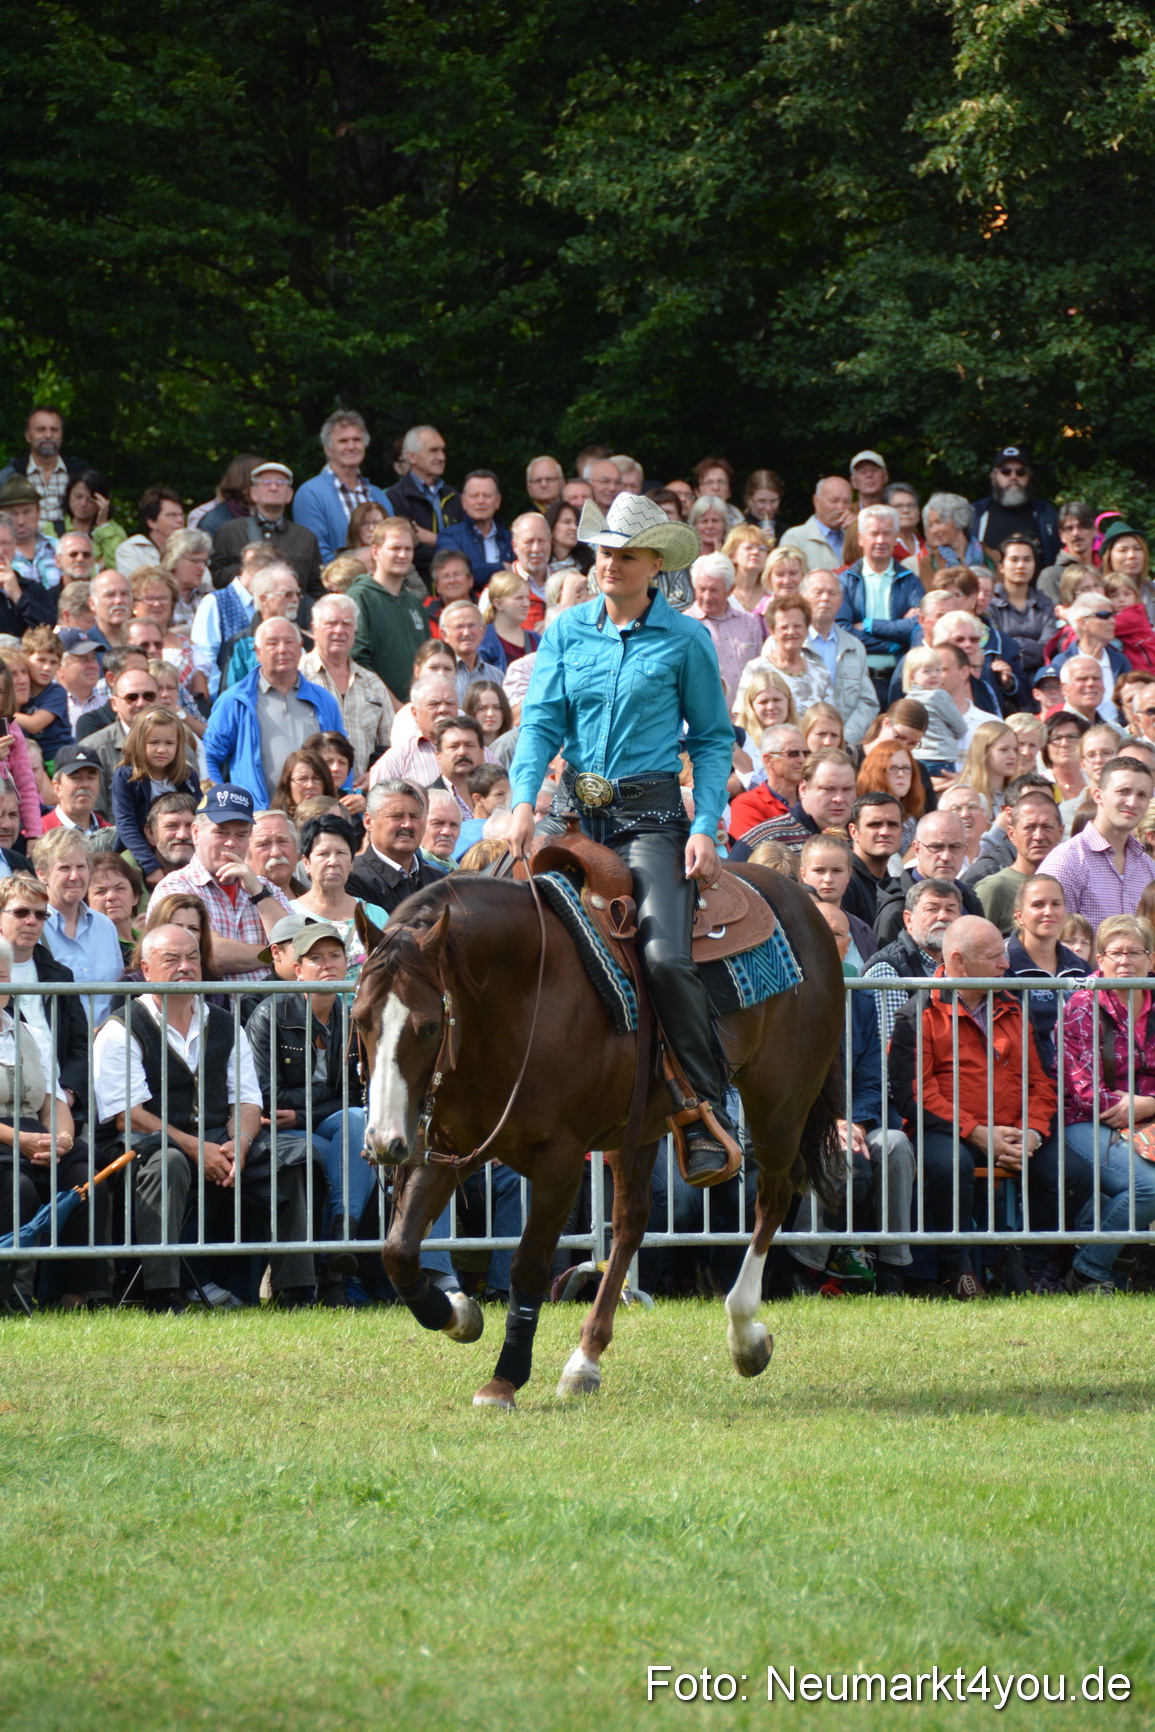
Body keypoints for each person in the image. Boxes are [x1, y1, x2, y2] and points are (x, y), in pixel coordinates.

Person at [508, 491, 740, 1178]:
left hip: (651, 818)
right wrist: (523, 800)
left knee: (666, 956)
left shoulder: (686, 639)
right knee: (491, 915)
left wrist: (704, 826)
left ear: (654, 565)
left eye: (624, 554)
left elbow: (713, 739)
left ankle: (704, 1107)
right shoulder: (565, 630)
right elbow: (541, 723)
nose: (607, 563)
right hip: (571, 814)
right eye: (602, 551)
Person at [93, 923, 315, 1311]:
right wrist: (199, 1149)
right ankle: (164, 1293)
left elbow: (247, 1101)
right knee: (170, 1162)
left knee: (295, 1156)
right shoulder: (121, 1028)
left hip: (219, 1140)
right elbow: (129, 1116)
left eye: (193, 957)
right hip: (146, 1145)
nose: (185, 967)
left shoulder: (225, 1022)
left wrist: (240, 1144)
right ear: (146, 970)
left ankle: (295, 1290)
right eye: (172, 959)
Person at [889, 915, 1060, 1299]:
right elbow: (914, 1094)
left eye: (1004, 954)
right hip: (946, 1130)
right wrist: (978, 1133)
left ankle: (1033, 1268)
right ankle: (956, 1266)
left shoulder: (1016, 1009)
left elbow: (1041, 1084)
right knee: (950, 1164)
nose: (1006, 964)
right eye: (994, 956)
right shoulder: (917, 1014)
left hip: (1014, 1131)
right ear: (958, 961)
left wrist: (1031, 1134)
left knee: (1069, 1168)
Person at [788, 900, 914, 1297]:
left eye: (837, 934)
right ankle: (805, 1269)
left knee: (895, 1144)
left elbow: (872, 1076)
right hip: (799, 1125)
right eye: (817, 933)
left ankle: (894, 1270)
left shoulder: (859, 997)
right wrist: (828, 1125)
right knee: (832, 1150)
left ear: (848, 946)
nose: (827, 941)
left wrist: (857, 1123)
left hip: (855, 1123)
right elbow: (783, 1083)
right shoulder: (782, 1000)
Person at [246, 921, 370, 1303]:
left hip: (316, 1122)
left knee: (356, 1121)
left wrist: (303, 1112)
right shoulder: (270, 1014)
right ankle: (336, 1271)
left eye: (335, 955)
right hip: (279, 1130)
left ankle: (341, 1236)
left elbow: (355, 1096)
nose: (328, 964)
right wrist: (318, 1100)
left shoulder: (351, 1017)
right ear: (297, 968)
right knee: (339, 1150)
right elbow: (268, 1096)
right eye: (316, 958)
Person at [0, 933, 106, 1306]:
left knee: (84, 1178)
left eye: (3, 976)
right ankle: (14, 1292)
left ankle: (75, 1295)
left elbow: (52, 1101)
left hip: (35, 1137)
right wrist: (19, 1140)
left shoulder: (27, 1033)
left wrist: (61, 1137)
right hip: (6, 1142)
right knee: (18, 1188)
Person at [1061, 914, 1155, 1292]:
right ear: (1099, 959)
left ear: (1151, 959)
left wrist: (1147, 1105)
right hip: (1086, 1121)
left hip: (1147, 1115)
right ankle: (1087, 1272)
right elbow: (1083, 1089)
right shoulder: (1084, 1004)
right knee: (1146, 1187)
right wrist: (1130, 1112)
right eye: (1115, 952)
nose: (1124, 961)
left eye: (1135, 952)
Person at [149, 785, 292, 983]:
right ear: (196, 833)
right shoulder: (175, 887)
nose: (231, 843)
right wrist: (273, 955)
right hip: (207, 1012)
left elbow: (296, 951)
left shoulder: (265, 888)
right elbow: (213, 955)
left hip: (271, 1011)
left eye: (241, 835)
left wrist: (259, 894)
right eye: (221, 833)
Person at [203, 618, 345, 808]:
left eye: (289, 642)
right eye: (272, 643)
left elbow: (341, 756)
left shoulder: (324, 700)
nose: (282, 649)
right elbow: (209, 756)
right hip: (257, 818)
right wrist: (225, 802)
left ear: (301, 647)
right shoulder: (235, 701)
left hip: (314, 814)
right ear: (258, 652)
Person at [0, 874, 92, 1133]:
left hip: (58, 1099)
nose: (31, 921)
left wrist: (68, 1093)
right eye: (20, 912)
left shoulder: (60, 975)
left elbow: (80, 1043)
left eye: (40, 915)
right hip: (10, 1105)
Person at [1037, 754, 1155, 920]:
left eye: (1142, 795)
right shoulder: (1067, 861)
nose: (1132, 802)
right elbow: (1048, 936)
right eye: (1123, 791)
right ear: (1098, 796)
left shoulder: (1148, 868)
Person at [299, 592, 395, 782]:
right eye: (331, 623)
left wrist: (374, 774)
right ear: (314, 628)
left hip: (361, 796)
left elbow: (388, 744)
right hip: (311, 791)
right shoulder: (298, 676)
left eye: (347, 624)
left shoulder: (372, 682)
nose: (339, 630)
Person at [835, 504, 925, 700]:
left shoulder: (910, 580)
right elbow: (841, 629)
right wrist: (891, 645)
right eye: (874, 533)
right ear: (860, 538)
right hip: (858, 680)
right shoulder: (845, 581)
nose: (881, 540)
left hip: (899, 680)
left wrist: (868, 625)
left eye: (887, 533)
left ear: (895, 538)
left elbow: (919, 624)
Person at [33, 829, 123, 1023]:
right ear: (42, 873)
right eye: (64, 868)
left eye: (81, 867)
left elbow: (118, 995)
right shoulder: (33, 926)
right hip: (59, 1046)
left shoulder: (105, 926)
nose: (74, 876)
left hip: (106, 1045)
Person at [861, 877, 962, 1048]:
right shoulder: (887, 970)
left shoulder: (963, 963)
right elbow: (896, 1047)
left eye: (951, 910)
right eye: (932, 909)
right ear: (908, 919)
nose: (943, 916)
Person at [1003, 874, 1087, 1075]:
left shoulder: (1081, 967)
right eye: (1038, 905)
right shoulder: (1003, 963)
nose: (1048, 911)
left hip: (1079, 1080)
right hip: (1026, 1080)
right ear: (1019, 915)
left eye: (1056, 904)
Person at [110, 708, 201, 884]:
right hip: (140, 851)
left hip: (181, 847)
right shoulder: (126, 775)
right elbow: (125, 823)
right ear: (138, 743)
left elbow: (201, 815)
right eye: (153, 742)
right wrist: (150, 865)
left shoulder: (187, 775)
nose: (161, 749)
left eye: (169, 743)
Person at [348, 516, 430, 703]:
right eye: (395, 548)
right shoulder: (360, 597)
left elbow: (427, 659)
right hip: (376, 712)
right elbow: (358, 663)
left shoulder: (414, 603)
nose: (402, 555)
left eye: (408, 549)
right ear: (375, 551)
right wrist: (396, 707)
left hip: (416, 712)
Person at [291, 411, 391, 564]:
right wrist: (354, 574)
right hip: (336, 585)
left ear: (365, 444)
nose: (351, 446)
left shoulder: (378, 495)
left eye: (356, 440)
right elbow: (316, 550)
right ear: (328, 449)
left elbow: (394, 542)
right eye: (343, 441)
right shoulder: (310, 493)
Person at [209, 461, 321, 596]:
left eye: (280, 483)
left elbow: (316, 588)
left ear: (289, 495)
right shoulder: (230, 531)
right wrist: (248, 569)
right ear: (253, 493)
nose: (273, 488)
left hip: (293, 614)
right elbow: (214, 579)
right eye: (266, 483)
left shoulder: (305, 537)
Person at [872, 809, 982, 942]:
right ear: (917, 849)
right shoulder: (896, 909)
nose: (946, 856)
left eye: (955, 847)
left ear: (965, 850)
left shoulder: (970, 898)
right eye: (936, 847)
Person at [729, 747, 857, 860]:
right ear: (803, 789)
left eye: (847, 789)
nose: (839, 799)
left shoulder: (864, 839)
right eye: (828, 789)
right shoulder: (765, 840)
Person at [797, 567, 877, 745]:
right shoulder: (786, 642)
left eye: (832, 593)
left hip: (843, 747)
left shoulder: (854, 646)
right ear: (802, 597)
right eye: (818, 592)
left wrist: (842, 739)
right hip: (798, 748)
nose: (825, 598)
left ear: (841, 600)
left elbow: (868, 702)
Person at [346, 780, 444, 913]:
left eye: (414, 816)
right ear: (369, 821)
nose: (408, 824)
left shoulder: (440, 880)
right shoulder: (351, 878)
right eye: (396, 816)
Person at [974, 793, 1064, 935]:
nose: (1039, 836)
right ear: (1011, 834)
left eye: (1047, 827)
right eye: (1029, 827)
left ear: (1061, 832)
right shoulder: (994, 889)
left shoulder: (1069, 881)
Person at [384, 426, 460, 586]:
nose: (441, 457)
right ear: (411, 457)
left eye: (442, 451)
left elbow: (470, 544)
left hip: (458, 587)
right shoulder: (395, 498)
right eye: (433, 451)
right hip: (418, 591)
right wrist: (454, 552)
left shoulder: (453, 496)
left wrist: (436, 540)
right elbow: (408, 551)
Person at [685, 554, 765, 706]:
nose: (707, 597)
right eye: (702, 589)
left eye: (714, 590)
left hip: (746, 717)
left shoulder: (749, 623)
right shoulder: (684, 625)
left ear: (730, 590)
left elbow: (760, 672)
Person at [971, 446, 1061, 567]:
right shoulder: (976, 513)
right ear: (994, 476)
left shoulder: (1045, 513)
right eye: (1006, 471)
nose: (1013, 477)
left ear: (1029, 476)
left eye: (1020, 472)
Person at [797, 831, 877, 967]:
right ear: (803, 874)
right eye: (819, 870)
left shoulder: (862, 930)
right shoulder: (787, 925)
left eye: (837, 871)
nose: (828, 879)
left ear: (849, 875)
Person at [434, 471, 513, 590]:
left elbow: (524, 573)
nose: (480, 501)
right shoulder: (449, 536)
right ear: (464, 502)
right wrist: (503, 568)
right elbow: (457, 573)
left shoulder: (511, 539)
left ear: (498, 501)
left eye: (487, 496)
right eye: (474, 496)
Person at [727, 727, 806, 838]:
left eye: (806, 753)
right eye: (793, 753)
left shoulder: (811, 801)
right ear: (769, 760)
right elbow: (760, 854)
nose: (802, 759)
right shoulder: (747, 805)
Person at [842, 793, 905, 925]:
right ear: (853, 831)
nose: (885, 832)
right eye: (875, 824)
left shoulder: (896, 885)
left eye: (893, 825)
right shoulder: (844, 882)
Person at [856, 738, 923, 850]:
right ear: (876, 772)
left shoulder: (911, 818)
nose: (901, 774)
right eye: (893, 768)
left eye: (906, 768)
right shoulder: (866, 815)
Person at [0, 512, 59, 637]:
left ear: (14, 545)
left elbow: (50, 628)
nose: (1, 552)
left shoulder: (33, 589)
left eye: (5, 543)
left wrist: (18, 596)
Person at [777, 476, 854, 570]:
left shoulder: (856, 537)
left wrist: (856, 532)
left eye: (846, 502)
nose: (841, 507)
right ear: (816, 501)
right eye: (834, 501)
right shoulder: (795, 538)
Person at [0, 476, 61, 590]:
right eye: (13, 514)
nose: (21, 521)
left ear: (38, 512)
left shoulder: (59, 548)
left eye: (27, 512)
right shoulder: (2, 555)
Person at [41, 744, 114, 839]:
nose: (85, 784)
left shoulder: (111, 835)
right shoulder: (40, 833)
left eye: (91, 778)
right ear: (57, 787)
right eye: (75, 778)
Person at [437, 600, 504, 702]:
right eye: (459, 627)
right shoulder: (438, 675)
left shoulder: (497, 676)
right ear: (444, 635)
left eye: (472, 626)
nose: (467, 633)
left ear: (483, 631)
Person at [114, 486, 186, 578]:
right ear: (152, 522)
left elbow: (205, 585)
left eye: (181, 515)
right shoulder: (131, 550)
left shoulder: (190, 550)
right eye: (172, 515)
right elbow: (137, 588)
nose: (180, 520)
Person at [87, 851, 145, 962]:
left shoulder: (149, 940)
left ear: (135, 897)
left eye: (120, 888)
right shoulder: (91, 948)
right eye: (101, 891)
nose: (111, 896)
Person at [479, 568, 541, 670]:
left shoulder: (536, 639)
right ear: (498, 604)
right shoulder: (482, 638)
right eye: (519, 598)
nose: (526, 604)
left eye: (527, 598)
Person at [64, 469, 126, 568]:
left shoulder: (114, 532)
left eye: (91, 499)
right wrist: (97, 568)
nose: (83, 503)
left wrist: (103, 526)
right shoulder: (53, 528)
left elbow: (121, 566)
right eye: (78, 496)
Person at [429, 715, 487, 820]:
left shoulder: (499, 795)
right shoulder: (425, 801)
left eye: (469, 746)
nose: (462, 752)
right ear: (438, 756)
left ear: (482, 753)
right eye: (453, 746)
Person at [141, 791, 197, 880]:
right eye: (171, 826)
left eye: (190, 826)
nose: (182, 835)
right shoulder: (127, 875)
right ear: (151, 833)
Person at [463, 679, 513, 749]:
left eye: (497, 707)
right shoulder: (463, 748)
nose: (490, 714)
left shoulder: (516, 744)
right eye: (482, 708)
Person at [422, 789, 463, 866]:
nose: (447, 832)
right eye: (437, 823)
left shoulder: (458, 871)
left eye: (453, 825)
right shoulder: (410, 871)